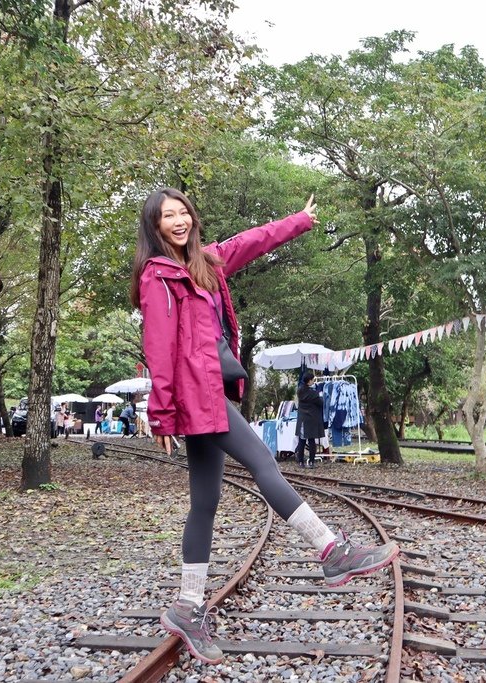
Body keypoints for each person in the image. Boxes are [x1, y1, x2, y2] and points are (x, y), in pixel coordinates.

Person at [131, 188, 399, 664]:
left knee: (205, 502)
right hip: (198, 397)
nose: (178, 221)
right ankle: (331, 551)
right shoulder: (159, 278)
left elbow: (253, 241)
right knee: (262, 461)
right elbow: (158, 350)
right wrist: (161, 413)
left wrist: (299, 220)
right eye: (167, 217)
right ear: (154, 229)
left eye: (183, 213)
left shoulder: (206, 263)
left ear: (193, 217)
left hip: (210, 392)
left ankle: (188, 606)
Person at [294, 372, 325, 468]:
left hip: (302, 419)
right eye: (313, 380)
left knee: (301, 442)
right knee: (311, 441)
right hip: (311, 419)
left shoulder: (299, 390)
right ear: (309, 381)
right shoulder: (313, 393)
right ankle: (311, 462)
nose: (313, 381)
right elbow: (321, 403)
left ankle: (300, 462)